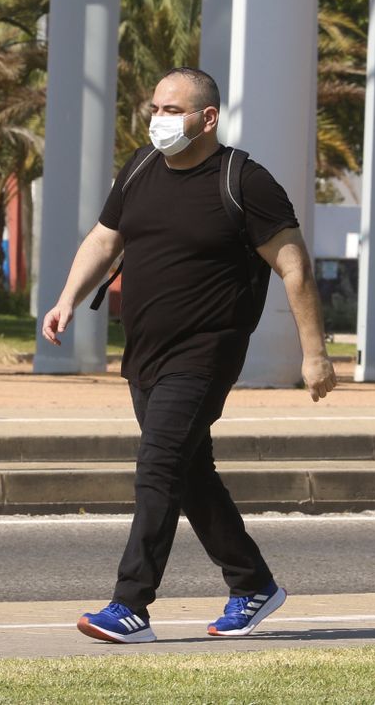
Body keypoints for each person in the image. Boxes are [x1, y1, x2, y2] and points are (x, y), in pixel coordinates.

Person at [42, 67, 336, 644]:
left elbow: (294, 266)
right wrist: (67, 298)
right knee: (189, 472)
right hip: (145, 354)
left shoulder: (243, 180)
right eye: (155, 108)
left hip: (205, 355)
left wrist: (315, 354)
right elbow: (105, 237)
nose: (159, 119)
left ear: (207, 118)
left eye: (173, 110)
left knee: (157, 468)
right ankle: (252, 584)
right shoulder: (142, 167)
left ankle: (131, 605)